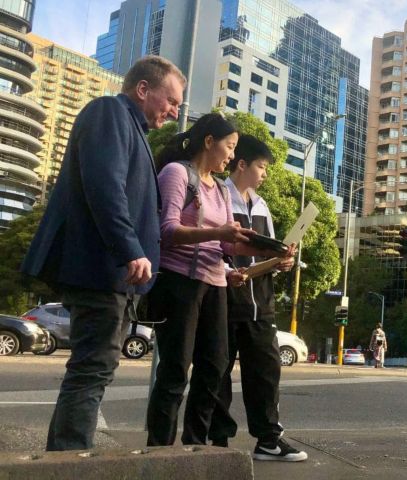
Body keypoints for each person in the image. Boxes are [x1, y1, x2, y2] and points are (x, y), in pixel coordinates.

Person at [20, 56, 185, 451]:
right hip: (100, 268)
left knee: (93, 369)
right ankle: (70, 462)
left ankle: (64, 460)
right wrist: (130, 248)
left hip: (112, 273)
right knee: (92, 369)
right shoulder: (109, 111)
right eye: (172, 101)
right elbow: (104, 185)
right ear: (143, 89)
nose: (175, 112)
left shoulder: (133, 129)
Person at [145, 114, 269, 446]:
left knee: (214, 367)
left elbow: (228, 243)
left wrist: (271, 252)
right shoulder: (177, 174)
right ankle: (159, 449)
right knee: (175, 369)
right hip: (180, 282)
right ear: (209, 142)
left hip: (216, 284)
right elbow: (167, 231)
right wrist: (218, 232)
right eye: (229, 147)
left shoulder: (220, 190)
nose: (231, 156)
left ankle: (196, 445)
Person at [207, 134, 306, 461]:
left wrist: (282, 260)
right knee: (218, 372)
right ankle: (218, 441)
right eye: (261, 167)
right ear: (242, 164)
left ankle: (268, 440)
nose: (264, 174)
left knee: (265, 372)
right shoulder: (218, 196)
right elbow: (213, 248)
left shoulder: (262, 205)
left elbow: (267, 253)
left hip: (261, 305)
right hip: (225, 301)